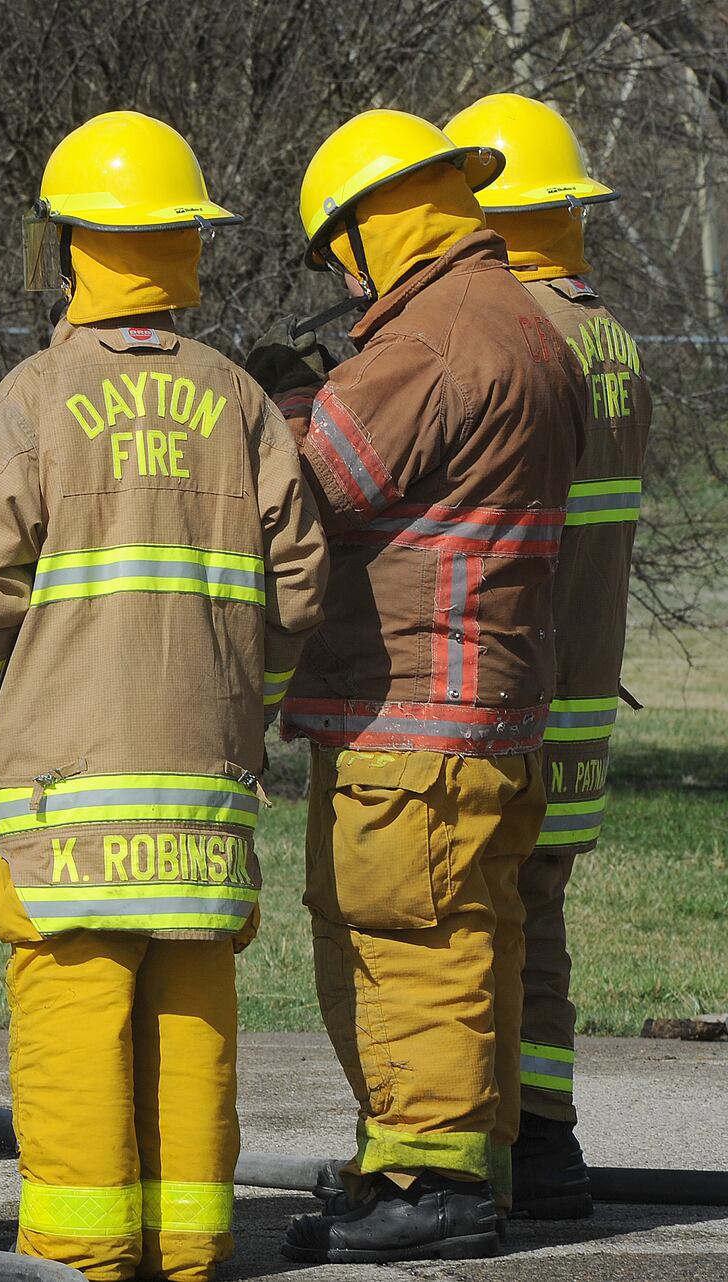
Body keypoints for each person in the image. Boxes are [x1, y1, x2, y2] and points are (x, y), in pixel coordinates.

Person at [0, 110, 328, 1282]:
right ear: (182, 246)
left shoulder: (35, 398)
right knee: (193, 1026)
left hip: (65, 813)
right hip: (202, 810)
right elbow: (297, 595)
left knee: (74, 1027)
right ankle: (192, 1251)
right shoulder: (243, 403)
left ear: (71, 248)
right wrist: (240, 705)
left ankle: (84, 1262)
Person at [244, 109, 585, 1263]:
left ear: (369, 228)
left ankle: (428, 1180)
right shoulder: (528, 327)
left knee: (408, 937)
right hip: (494, 706)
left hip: (412, 714)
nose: (341, 280)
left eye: (338, 250)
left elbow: (302, 494)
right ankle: (451, 1164)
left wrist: (284, 403)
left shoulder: (427, 345)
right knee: (473, 941)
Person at [445, 92, 652, 1220]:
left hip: (512, 692)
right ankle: (546, 1138)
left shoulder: (519, 337)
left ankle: (480, 1147)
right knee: (539, 912)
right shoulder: (610, 333)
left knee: (475, 919)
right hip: (581, 696)